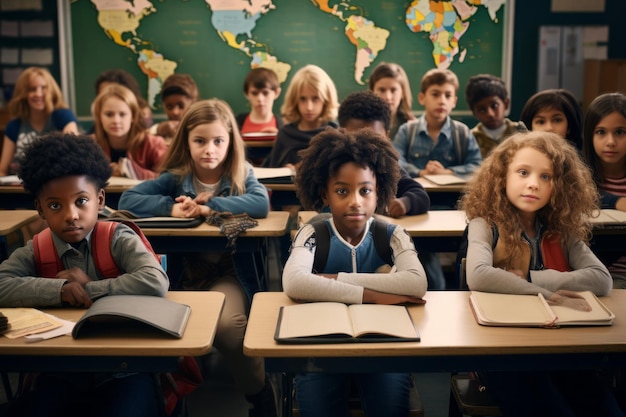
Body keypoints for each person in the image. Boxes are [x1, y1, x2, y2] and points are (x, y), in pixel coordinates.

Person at [118, 99, 276, 417]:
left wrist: (209, 206)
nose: (209, 150)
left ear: (231, 141)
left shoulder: (241, 173)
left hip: (228, 273)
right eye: (200, 141)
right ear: (186, 141)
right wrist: (172, 208)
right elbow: (128, 198)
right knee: (162, 329)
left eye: (218, 141)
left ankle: (260, 396)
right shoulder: (177, 177)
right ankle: (173, 396)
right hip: (183, 276)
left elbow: (260, 205)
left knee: (230, 329)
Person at [0, 132, 169, 417]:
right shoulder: (38, 248)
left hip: (125, 368)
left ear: (99, 200)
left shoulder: (117, 237)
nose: (71, 215)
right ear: (40, 209)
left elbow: (154, 279)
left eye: (81, 201)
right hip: (62, 368)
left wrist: (89, 289)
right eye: (55, 205)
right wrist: (61, 290)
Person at [459, 130, 621, 417]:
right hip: (502, 353)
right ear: (501, 177)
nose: (533, 184)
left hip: (560, 347)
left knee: (606, 409)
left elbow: (601, 278)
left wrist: (531, 277)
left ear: (559, 185)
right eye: (523, 172)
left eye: (546, 177)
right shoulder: (485, 224)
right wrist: (549, 294)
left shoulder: (561, 228)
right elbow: (480, 275)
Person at [283, 128, 427, 417]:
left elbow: (417, 283)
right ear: (324, 193)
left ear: (380, 192)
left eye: (365, 190)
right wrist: (375, 293)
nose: (355, 201)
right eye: (341, 191)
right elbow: (295, 282)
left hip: (384, 347)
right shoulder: (313, 232)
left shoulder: (392, 234)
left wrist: (336, 281)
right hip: (319, 349)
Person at [338, 90, 430, 217]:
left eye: (374, 138)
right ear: (342, 133)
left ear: (386, 136)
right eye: (357, 138)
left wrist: (404, 203)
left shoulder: (388, 167)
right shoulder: (334, 168)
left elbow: (420, 195)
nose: (365, 146)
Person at [392, 68, 482, 179]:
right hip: (416, 194)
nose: (442, 101)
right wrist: (420, 172)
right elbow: (395, 162)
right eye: (435, 94)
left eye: (448, 96)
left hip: (451, 196)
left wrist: (447, 172)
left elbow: (477, 166)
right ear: (422, 98)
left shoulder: (462, 132)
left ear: (454, 101)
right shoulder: (407, 130)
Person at [582, 92, 626, 289]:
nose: (610, 142)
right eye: (601, 132)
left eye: (620, 132)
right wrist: (616, 201)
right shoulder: (580, 175)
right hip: (599, 276)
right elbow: (583, 194)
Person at [0, 67, 78, 176]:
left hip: (56, 183)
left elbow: (74, 153)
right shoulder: (14, 125)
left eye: (44, 88)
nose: (38, 94)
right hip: (19, 186)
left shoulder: (63, 116)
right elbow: (2, 170)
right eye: (32, 89)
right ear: (23, 93)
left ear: (51, 90)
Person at [263, 64, 338, 169]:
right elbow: (271, 173)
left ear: (326, 100)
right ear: (295, 101)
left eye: (315, 98)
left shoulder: (335, 135)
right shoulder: (285, 135)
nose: (309, 107)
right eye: (303, 99)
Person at [92, 84, 168, 180]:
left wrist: (129, 171)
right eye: (109, 114)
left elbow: (169, 179)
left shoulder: (154, 144)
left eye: (122, 114)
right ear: (99, 116)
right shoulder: (91, 145)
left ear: (133, 116)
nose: (116, 120)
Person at [464, 73, 526, 157]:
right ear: (474, 112)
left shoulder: (520, 131)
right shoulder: (470, 138)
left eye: (494, 106)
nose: (490, 114)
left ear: (506, 104)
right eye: (482, 110)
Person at [236, 67, 283, 165]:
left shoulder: (284, 127)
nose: (260, 99)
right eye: (254, 93)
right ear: (247, 94)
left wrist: (282, 138)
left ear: (276, 93)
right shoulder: (236, 123)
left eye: (265, 93)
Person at [368, 62, 416, 140]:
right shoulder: (363, 124)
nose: (387, 97)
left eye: (393, 90)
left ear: (402, 93)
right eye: (382, 90)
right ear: (372, 92)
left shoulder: (412, 127)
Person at [150, 73, 199, 144]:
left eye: (181, 106)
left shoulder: (202, 131)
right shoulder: (159, 131)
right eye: (169, 107)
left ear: (193, 104)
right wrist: (159, 130)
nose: (174, 112)